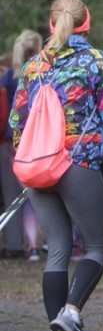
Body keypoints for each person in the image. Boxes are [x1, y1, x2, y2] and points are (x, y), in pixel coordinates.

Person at [9, 0, 103, 331]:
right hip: (77, 163)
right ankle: (69, 315)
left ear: (51, 24)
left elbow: (16, 123)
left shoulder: (33, 66)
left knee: (57, 253)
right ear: (88, 23)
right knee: (96, 248)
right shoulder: (96, 61)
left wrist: (29, 163)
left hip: (36, 168)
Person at [0, 31, 41, 261]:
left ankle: (24, 245)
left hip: (16, 141)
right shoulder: (44, 71)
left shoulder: (10, 78)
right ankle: (58, 245)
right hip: (41, 138)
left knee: (14, 194)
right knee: (34, 194)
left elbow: (7, 114)